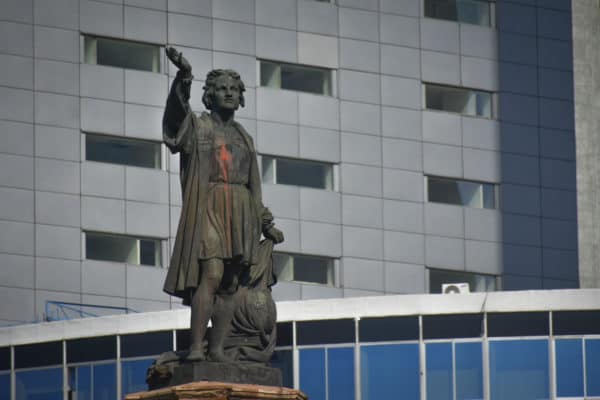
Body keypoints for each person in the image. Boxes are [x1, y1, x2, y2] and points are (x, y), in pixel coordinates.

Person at [162, 47, 283, 362]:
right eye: (221, 89)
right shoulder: (199, 127)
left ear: (241, 97)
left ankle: (217, 348)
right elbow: (175, 120)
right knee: (212, 274)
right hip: (208, 207)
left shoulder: (244, 136)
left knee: (231, 283)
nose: (229, 94)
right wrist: (185, 77)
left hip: (240, 211)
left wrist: (265, 222)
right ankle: (196, 347)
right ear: (209, 96)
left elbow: (252, 184)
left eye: (234, 90)